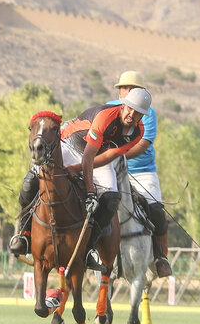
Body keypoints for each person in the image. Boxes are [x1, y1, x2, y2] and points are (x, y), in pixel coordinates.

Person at [9, 87, 152, 272]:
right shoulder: (105, 117)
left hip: (94, 156)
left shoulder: (137, 133)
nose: (132, 114)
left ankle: (89, 249)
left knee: (111, 199)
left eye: (138, 112)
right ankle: (23, 234)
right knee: (30, 181)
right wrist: (91, 191)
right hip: (69, 144)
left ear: (143, 115)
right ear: (123, 105)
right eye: (130, 108)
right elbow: (87, 156)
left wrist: (77, 171)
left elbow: (108, 156)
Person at [105, 71, 171, 277]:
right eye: (123, 88)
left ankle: (161, 257)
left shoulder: (148, 113)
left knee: (156, 211)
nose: (126, 92)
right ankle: (90, 251)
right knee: (93, 205)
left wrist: (118, 156)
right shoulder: (108, 109)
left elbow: (143, 144)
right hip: (112, 172)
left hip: (142, 173)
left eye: (131, 88)